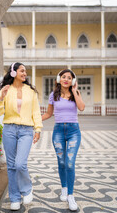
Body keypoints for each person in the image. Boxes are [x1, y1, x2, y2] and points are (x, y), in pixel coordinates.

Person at [0, 62, 42, 211]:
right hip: (9, 130)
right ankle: (14, 197)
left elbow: (36, 111)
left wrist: (37, 129)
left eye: (25, 71)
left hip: (26, 130)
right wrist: (1, 98)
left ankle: (26, 189)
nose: (25, 73)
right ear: (13, 72)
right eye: (22, 71)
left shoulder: (30, 91)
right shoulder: (6, 90)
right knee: (11, 166)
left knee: (20, 163)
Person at [42, 69, 85, 211]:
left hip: (74, 131)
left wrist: (75, 91)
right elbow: (49, 113)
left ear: (72, 81)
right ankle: (64, 188)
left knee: (70, 163)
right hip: (58, 131)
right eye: (63, 77)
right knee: (61, 162)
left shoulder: (75, 94)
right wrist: (35, 119)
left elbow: (82, 107)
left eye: (69, 77)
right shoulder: (53, 95)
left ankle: (71, 196)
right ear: (58, 79)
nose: (66, 79)